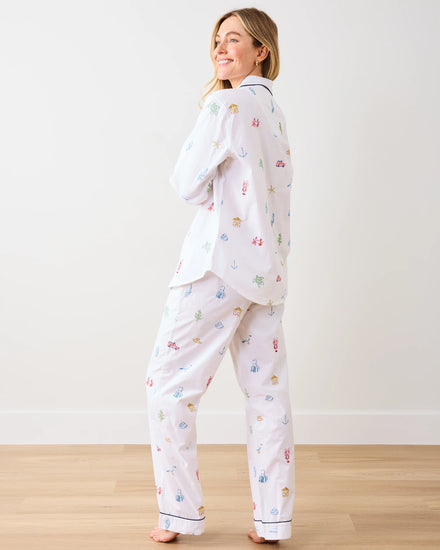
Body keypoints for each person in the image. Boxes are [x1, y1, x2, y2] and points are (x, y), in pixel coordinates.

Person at [145, 7, 295, 544]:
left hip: (217, 265)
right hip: (267, 271)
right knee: (267, 398)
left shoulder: (225, 104)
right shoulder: (272, 110)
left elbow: (186, 183)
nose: (221, 48)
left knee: (167, 387)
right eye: (217, 39)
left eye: (235, 39)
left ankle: (179, 515)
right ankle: (272, 522)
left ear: (261, 51)